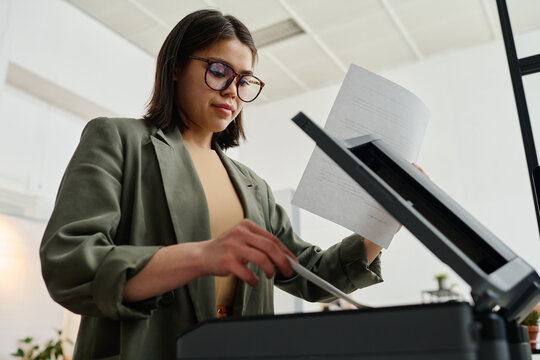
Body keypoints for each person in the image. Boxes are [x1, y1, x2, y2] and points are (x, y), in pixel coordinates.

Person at [40, 9, 385, 360]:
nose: (233, 92)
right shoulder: (119, 140)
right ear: (175, 67)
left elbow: (312, 275)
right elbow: (69, 264)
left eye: (244, 81)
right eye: (219, 72)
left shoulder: (254, 187)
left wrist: (384, 220)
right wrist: (201, 256)